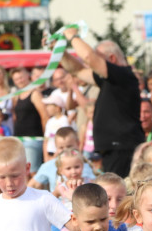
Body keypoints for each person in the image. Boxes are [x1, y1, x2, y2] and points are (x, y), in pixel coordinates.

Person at [58, 29, 145, 177]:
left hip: (122, 147)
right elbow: (77, 71)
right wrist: (58, 49)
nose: (93, 65)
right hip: (114, 147)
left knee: (120, 194)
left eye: (99, 59)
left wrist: (72, 35)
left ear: (111, 59)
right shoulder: (110, 79)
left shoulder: (123, 75)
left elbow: (88, 57)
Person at [10, 67, 48, 175]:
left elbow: (44, 116)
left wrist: (46, 137)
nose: (20, 81)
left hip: (33, 138)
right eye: (16, 79)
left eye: (21, 77)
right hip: (20, 139)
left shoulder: (35, 94)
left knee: (33, 172)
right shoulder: (17, 96)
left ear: (28, 76)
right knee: (23, 172)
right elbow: (15, 117)